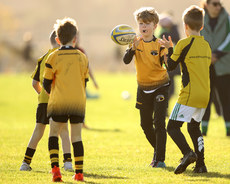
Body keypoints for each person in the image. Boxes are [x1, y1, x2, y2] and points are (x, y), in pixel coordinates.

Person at [159, 5, 211, 174]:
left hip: (189, 94)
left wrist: (169, 49)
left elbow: (170, 66)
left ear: (185, 26)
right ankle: (201, 165)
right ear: (201, 26)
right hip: (204, 94)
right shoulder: (206, 46)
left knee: (172, 127)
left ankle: (187, 153)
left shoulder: (183, 44)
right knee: (194, 128)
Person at [19, 30, 73, 172]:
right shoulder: (63, 56)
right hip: (60, 101)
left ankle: (25, 163)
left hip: (43, 101)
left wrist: (42, 94)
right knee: (64, 132)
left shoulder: (43, 58)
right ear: (62, 41)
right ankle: (67, 163)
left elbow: (34, 83)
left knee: (38, 131)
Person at [43, 17, 89, 182]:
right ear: (75, 38)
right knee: (76, 137)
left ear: (57, 39)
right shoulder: (82, 57)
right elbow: (85, 81)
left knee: (53, 134)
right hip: (78, 102)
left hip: (59, 102)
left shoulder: (53, 57)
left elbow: (46, 83)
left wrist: (53, 96)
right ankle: (79, 173)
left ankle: (56, 170)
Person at [123, 7, 170, 168]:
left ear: (155, 25)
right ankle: (158, 151)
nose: (144, 26)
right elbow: (126, 60)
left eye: (147, 23)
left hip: (161, 86)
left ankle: (160, 159)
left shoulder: (159, 44)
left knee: (159, 122)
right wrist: (131, 49)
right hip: (143, 89)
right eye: (141, 23)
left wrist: (169, 51)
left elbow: (169, 66)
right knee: (145, 125)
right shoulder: (135, 42)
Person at [200, 0, 230, 136]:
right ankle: (203, 131)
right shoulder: (199, 17)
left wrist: (216, 54)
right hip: (204, 65)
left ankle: (229, 130)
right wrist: (206, 55)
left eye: (219, 4)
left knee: (226, 99)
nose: (218, 7)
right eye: (214, 4)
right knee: (205, 99)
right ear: (206, 4)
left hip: (223, 64)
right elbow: (195, 36)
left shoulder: (227, 18)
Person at [155, 13, 181, 100]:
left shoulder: (162, 31)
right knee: (169, 90)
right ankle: (164, 109)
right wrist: (175, 27)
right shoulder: (164, 33)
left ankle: (164, 109)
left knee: (170, 90)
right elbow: (176, 38)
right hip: (166, 64)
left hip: (167, 64)